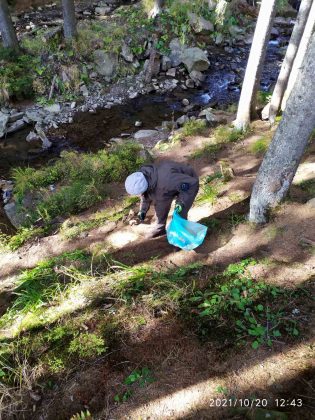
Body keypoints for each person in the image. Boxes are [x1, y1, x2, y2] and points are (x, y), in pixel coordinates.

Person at [125, 160, 199, 238]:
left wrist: (181, 203)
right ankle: (160, 229)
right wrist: (142, 212)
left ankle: (181, 236)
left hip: (187, 183)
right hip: (165, 187)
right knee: (160, 205)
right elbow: (145, 195)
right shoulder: (144, 177)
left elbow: (191, 184)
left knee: (179, 213)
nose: (137, 196)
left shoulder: (167, 180)